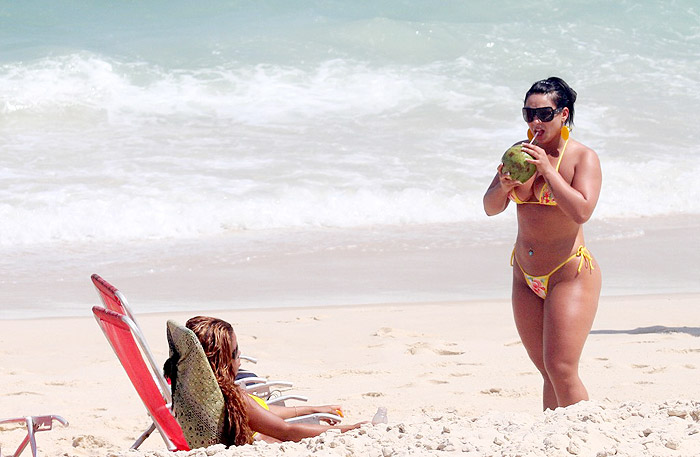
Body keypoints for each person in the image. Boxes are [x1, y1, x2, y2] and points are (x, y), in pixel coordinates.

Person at [483, 77, 602, 410]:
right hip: (525, 274)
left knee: (562, 369)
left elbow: (582, 210)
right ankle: (554, 438)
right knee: (546, 371)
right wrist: (504, 186)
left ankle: (586, 431)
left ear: (563, 114)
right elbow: (490, 208)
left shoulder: (582, 158)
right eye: (528, 114)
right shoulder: (518, 154)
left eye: (544, 114)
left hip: (570, 273)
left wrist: (549, 171)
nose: (535, 122)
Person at [166, 315, 365, 446]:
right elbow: (287, 431)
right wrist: (348, 429)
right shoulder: (233, 398)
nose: (240, 355)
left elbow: (263, 412)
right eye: (235, 353)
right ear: (222, 362)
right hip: (272, 440)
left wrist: (313, 409)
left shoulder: (198, 391)